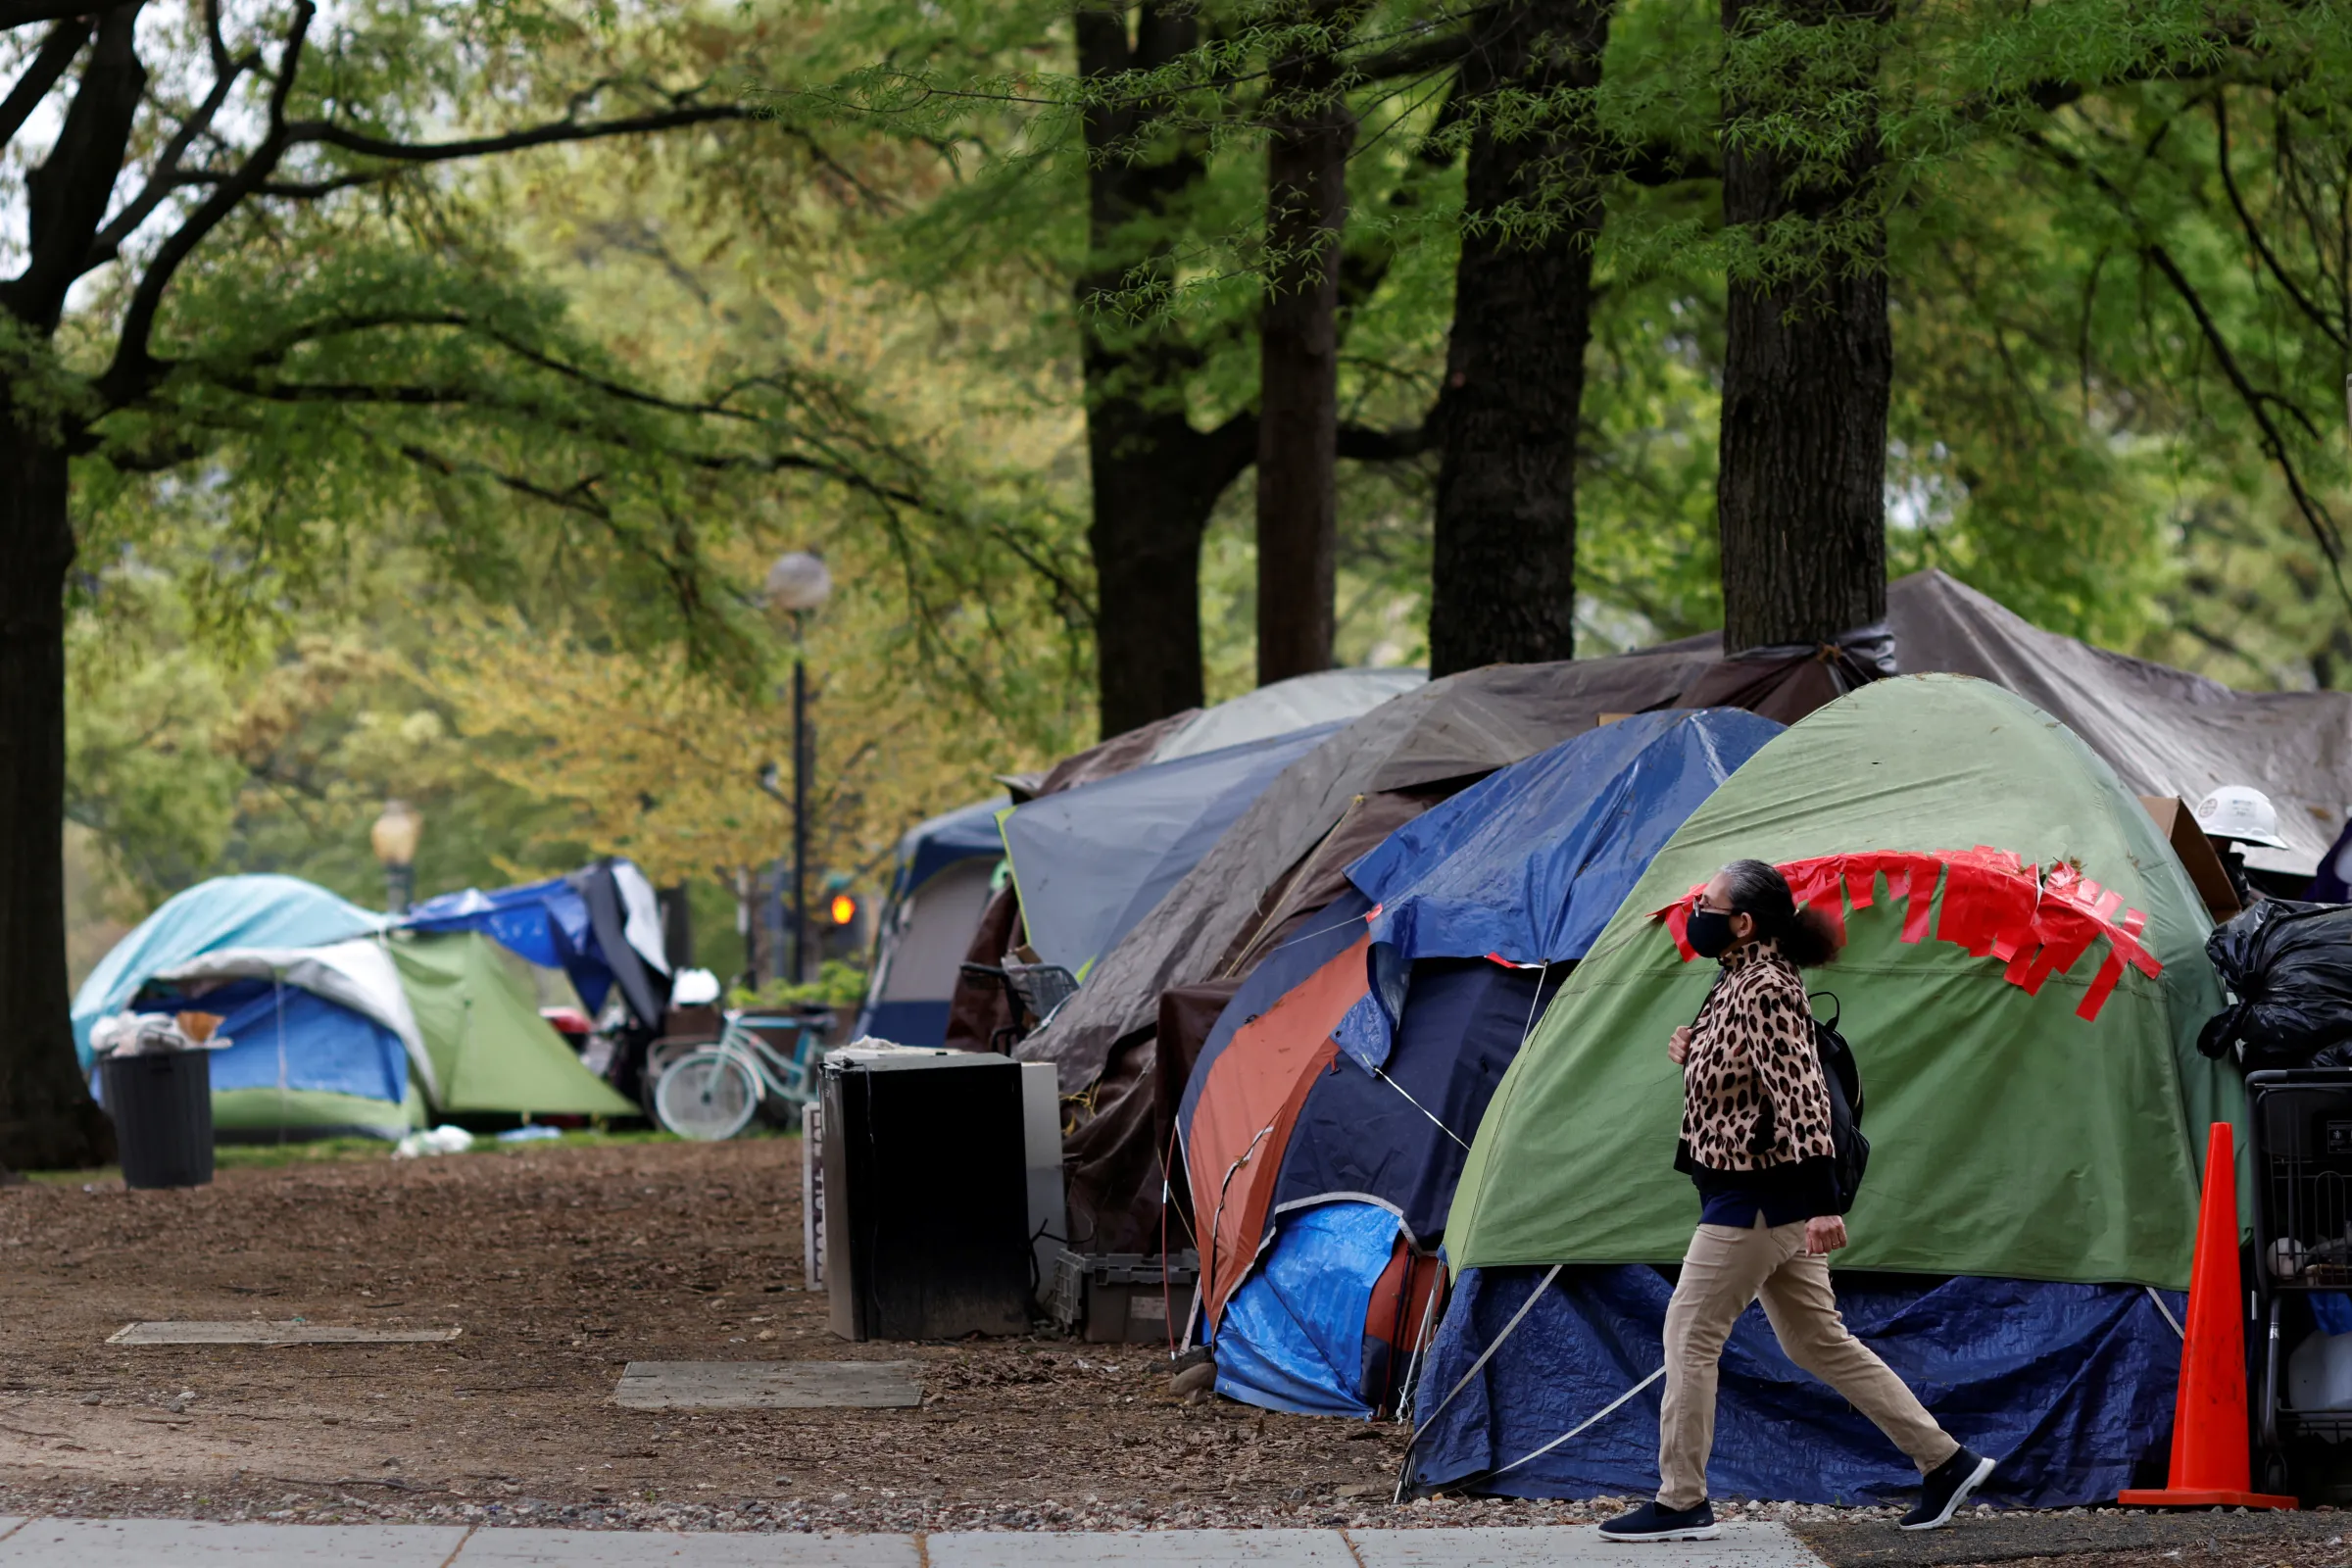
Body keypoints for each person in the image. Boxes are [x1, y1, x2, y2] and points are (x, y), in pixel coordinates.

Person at [1599, 859, 1996, 1543]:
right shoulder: (1738, 978)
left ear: (1744, 921)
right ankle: (1946, 1460)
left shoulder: (1765, 987)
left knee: (1689, 1335)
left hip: (1758, 1199)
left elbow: (1802, 1097)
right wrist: (1694, 1052)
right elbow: (1752, 1075)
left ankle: (1680, 1500)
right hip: (1753, 1193)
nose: (1699, 908)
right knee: (1818, 1341)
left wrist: (1822, 1204)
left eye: (1709, 900)